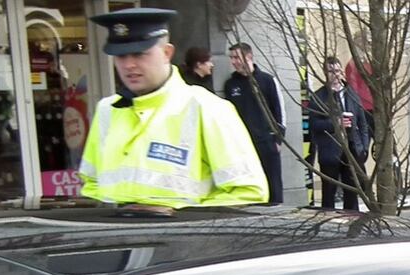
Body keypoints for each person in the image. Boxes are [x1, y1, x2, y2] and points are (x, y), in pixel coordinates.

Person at [79, 8, 266, 215]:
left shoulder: (206, 108)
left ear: (167, 53)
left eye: (140, 53)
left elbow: (248, 192)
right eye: (120, 56)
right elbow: (91, 185)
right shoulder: (107, 110)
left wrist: (175, 214)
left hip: (182, 242)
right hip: (113, 239)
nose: (129, 65)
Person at [225, 42, 286, 205]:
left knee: (273, 186)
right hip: (243, 145)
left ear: (249, 57)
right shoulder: (231, 85)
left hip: (266, 142)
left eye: (237, 57)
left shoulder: (267, 81)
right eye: (231, 58)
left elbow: (279, 110)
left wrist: (278, 139)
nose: (233, 61)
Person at [310, 56, 370, 210]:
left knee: (352, 194)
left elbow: (363, 124)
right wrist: (335, 123)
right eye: (330, 71)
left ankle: (353, 226)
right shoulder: (319, 97)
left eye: (337, 71)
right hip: (330, 152)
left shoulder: (351, 94)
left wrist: (363, 148)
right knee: (329, 195)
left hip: (351, 151)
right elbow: (314, 125)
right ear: (325, 73)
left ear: (342, 72)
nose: (334, 75)